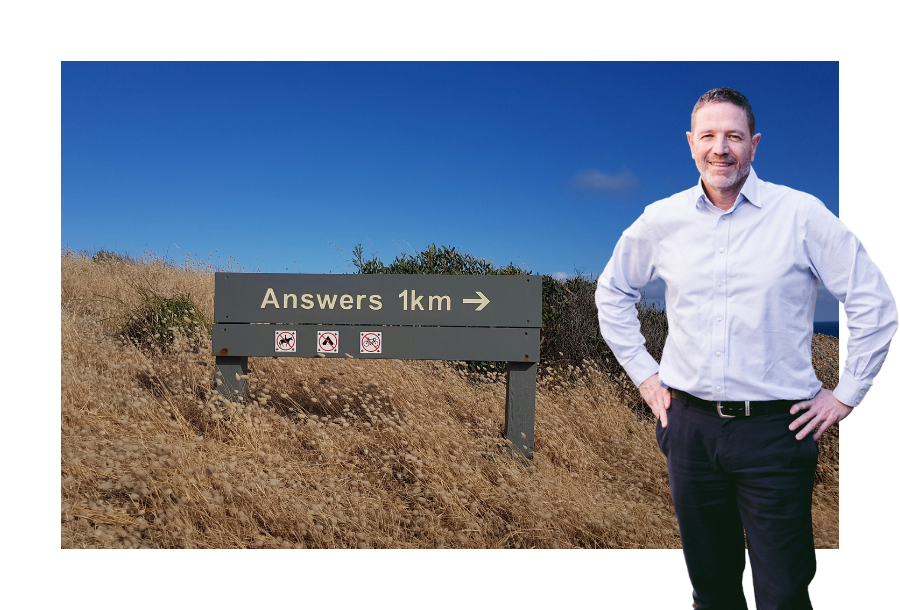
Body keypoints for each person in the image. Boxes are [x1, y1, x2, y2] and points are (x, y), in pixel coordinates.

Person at [594, 87, 897, 610]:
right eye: (708, 135)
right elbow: (612, 292)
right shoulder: (662, 220)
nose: (720, 148)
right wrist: (646, 376)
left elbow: (873, 302)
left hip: (775, 434)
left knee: (782, 592)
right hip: (688, 429)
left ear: (754, 144)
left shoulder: (801, 214)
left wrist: (846, 394)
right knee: (712, 590)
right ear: (691, 144)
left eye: (733, 136)